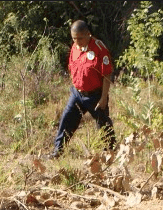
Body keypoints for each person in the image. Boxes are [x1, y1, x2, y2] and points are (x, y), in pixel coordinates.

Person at [50, 20, 116, 159]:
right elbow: (72, 67)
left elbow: (107, 74)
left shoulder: (99, 48)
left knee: (103, 125)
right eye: (74, 38)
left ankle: (110, 153)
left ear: (88, 34)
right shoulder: (75, 47)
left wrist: (103, 97)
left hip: (95, 95)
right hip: (77, 93)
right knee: (66, 120)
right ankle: (57, 151)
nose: (77, 41)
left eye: (80, 38)